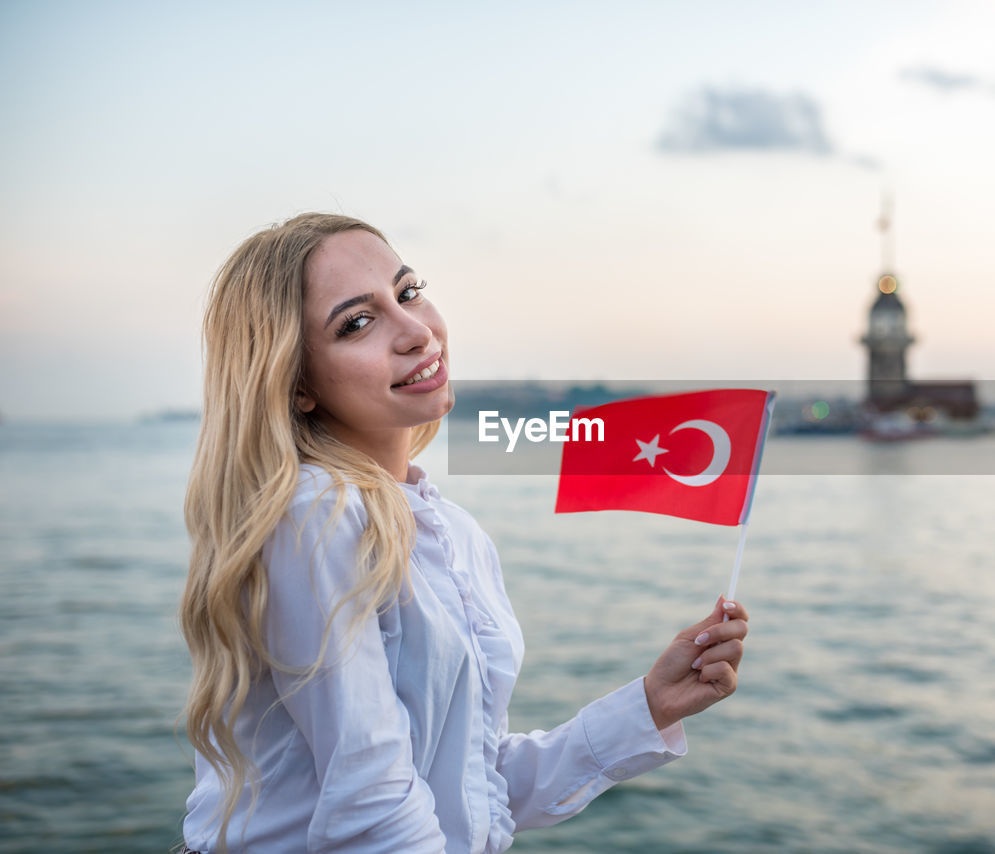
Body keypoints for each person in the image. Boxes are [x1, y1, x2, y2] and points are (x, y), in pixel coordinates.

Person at [178, 213, 749, 853]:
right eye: (357, 323)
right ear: (297, 382)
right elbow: (372, 810)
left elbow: (471, 790)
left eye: (409, 292)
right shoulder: (315, 513)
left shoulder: (453, 530)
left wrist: (649, 706)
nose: (416, 331)